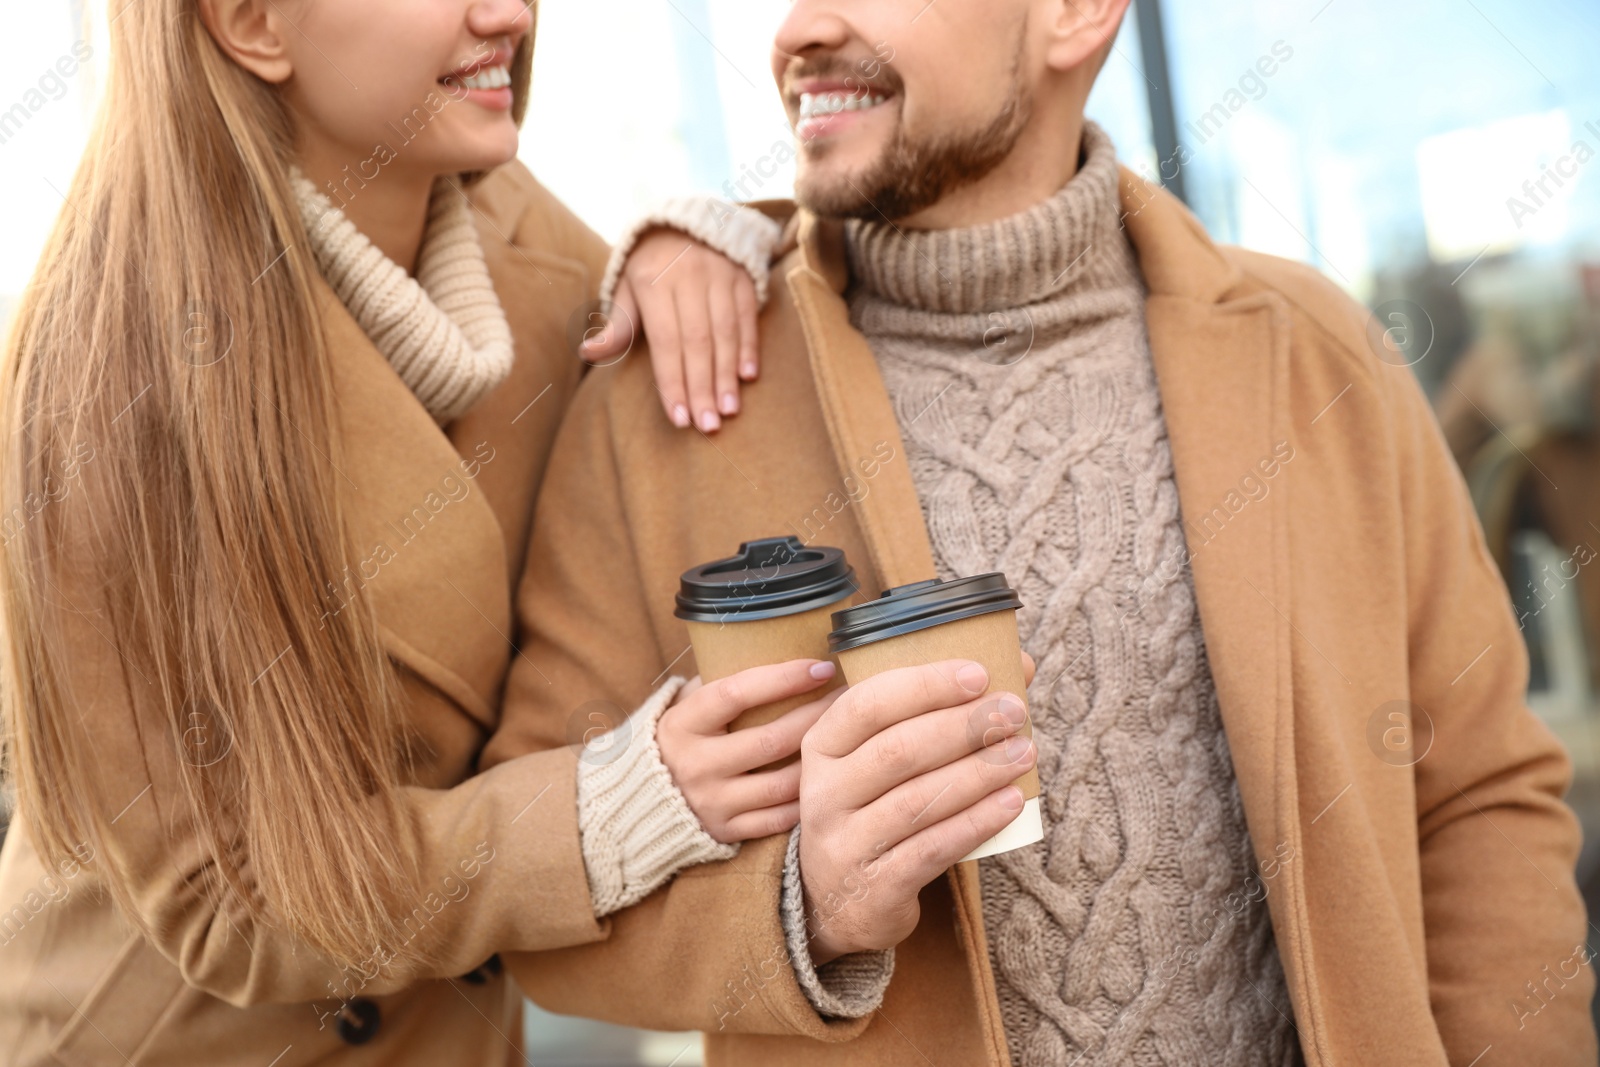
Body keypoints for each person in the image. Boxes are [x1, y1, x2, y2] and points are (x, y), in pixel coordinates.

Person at [488, 0, 1597, 1064]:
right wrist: (798, 917)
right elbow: (541, 909)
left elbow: (1477, 796)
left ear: (1075, 11)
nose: (795, 29)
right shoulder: (662, 397)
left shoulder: (1320, 354)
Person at [0, 0, 842, 1064]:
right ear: (253, 23)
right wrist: (601, 813)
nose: (510, 13)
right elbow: (225, 900)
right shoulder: (103, 381)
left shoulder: (495, 220)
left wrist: (696, 245)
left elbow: (624, 335)